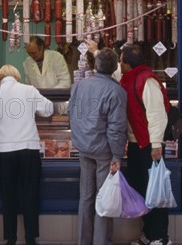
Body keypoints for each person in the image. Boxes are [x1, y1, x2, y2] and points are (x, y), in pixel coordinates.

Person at [0, 64, 54, 245]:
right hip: (29, 149)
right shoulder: (29, 89)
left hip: (5, 151)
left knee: (8, 194)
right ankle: (30, 237)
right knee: (30, 193)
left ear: (0, 77)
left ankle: (11, 238)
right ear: (17, 76)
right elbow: (48, 109)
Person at [67, 48, 127, 245]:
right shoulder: (116, 91)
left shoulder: (79, 85)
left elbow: (71, 114)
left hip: (83, 147)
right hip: (103, 151)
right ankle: (101, 242)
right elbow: (116, 128)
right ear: (115, 67)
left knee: (86, 197)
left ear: (95, 65)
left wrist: (78, 140)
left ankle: (84, 241)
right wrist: (117, 156)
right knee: (103, 199)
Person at [119, 44, 171, 245]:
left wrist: (156, 144)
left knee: (155, 192)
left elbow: (157, 114)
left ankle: (160, 237)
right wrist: (96, 52)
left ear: (128, 64)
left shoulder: (146, 80)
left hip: (150, 145)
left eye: (121, 60)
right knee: (142, 190)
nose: (119, 64)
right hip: (136, 144)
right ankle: (149, 234)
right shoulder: (129, 77)